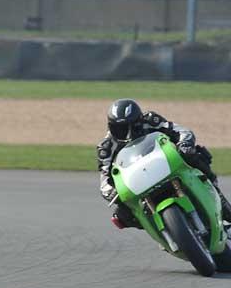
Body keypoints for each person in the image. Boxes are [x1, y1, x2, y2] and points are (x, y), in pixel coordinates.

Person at [97, 98, 231, 229]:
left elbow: (181, 131)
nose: (127, 134)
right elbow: (104, 182)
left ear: (140, 120)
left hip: (164, 163)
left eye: (133, 127)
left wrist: (184, 143)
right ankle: (161, 229)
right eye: (120, 129)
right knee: (121, 215)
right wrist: (111, 192)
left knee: (194, 153)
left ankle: (217, 193)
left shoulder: (150, 120)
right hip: (136, 180)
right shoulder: (106, 147)